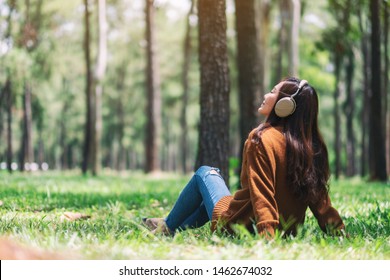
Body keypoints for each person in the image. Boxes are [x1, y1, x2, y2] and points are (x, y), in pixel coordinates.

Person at [143, 77, 345, 238]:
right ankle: (167, 226)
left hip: (238, 228)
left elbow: (262, 193)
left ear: (285, 105)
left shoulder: (262, 139)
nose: (267, 94)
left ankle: (167, 226)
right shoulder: (311, 146)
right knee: (209, 203)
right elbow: (320, 200)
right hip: (286, 231)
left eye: (273, 91)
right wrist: (339, 232)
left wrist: (267, 238)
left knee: (206, 172)